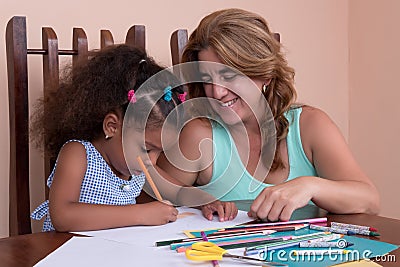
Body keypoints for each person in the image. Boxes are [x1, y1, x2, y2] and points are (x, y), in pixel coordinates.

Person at [157, 8, 380, 222]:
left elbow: (369, 201)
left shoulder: (309, 126)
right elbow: (151, 195)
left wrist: (310, 186)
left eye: (228, 76)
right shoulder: (199, 134)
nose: (217, 92)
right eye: (207, 79)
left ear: (265, 74)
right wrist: (197, 200)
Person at [30, 44, 234, 232]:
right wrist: (140, 213)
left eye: (159, 152)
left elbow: (175, 189)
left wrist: (205, 200)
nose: (152, 161)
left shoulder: (137, 164)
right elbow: (63, 216)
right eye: (147, 148)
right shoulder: (79, 154)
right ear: (112, 126)